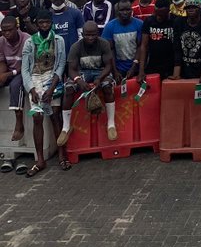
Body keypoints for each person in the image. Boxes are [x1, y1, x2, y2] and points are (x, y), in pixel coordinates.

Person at [21, 10, 68, 177]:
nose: (44, 25)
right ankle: (40, 159)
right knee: (37, 117)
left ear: (51, 22)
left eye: (47, 22)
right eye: (41, 23)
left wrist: (51, 88)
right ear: (36, 23)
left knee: (55, 116)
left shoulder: (58, 40)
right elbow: (25, 69)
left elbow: (61, 65)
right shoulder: (29, 42)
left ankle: (63, 154)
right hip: (35, 79)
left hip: (52, 78)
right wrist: (31, 89)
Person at [59, 21, 117, 146]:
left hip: (100, 71)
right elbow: (71, 70)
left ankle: (111, 123)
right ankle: (66, 126)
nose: (90, 38)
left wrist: (100, 78)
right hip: (82, 72)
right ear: (82, 34)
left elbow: (108, 66)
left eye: (93, 35)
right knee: (68, 89)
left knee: (107, 87)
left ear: (98, 34)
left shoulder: (104, 44)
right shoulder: (76, 46)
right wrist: (78, 81)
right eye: (87, 35)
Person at [171, 0, 201, 80]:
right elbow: (177, 48)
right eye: (188, 7)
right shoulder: (179, 22)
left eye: (194, 7)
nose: (190, 9)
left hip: (200, 67)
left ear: (199, 9)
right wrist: (176, 73)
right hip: (182, 67)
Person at [0, 16, 30, 141]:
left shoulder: (27, 39)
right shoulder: (1, 41)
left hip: (24, 71)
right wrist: (1, 75)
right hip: (9, 70)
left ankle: (19, 124)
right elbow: (2, 61)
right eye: (3, 30)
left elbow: (27, 65)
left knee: (15, 85)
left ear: (17, 28)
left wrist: (9, 74)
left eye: (10, 30)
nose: (6, 33)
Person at [102, 0, 143, 81]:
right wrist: (115, 71)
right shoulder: (110, 27)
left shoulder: (139, 24)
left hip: (137, 67)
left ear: (131, 10)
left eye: (127, 10)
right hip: (118, 68)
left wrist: (134, 67)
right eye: (122, 10)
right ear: (117, 11)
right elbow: (110, 50)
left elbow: (140, 47)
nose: (125, 12)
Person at [138, 0, 176, 81]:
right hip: (152, 63)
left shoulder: (175, 21)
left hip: (171, 64)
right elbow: (144, 46)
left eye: (161, 14)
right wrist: (141, 70)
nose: (159, 17)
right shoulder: (149, 21)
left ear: (168, 10)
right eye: (157, 13)